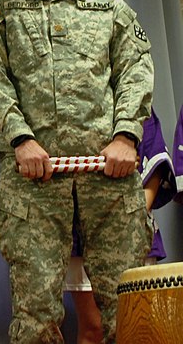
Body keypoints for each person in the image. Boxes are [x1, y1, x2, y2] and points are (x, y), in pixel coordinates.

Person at [0, 0, 154, 343]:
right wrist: (20, 139)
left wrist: (127, 136)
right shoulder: (4, 5)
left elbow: (136, 66)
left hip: (107, 175)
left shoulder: (106, 1)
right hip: (35, 178)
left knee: (129, 301)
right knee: (34, 309)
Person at [64, 108, 180, 343]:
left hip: (130, 231)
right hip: (79, 232)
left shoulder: (134, 101)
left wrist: (128, 223)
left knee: (140, 325)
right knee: (93, 327)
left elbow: (154, 169)